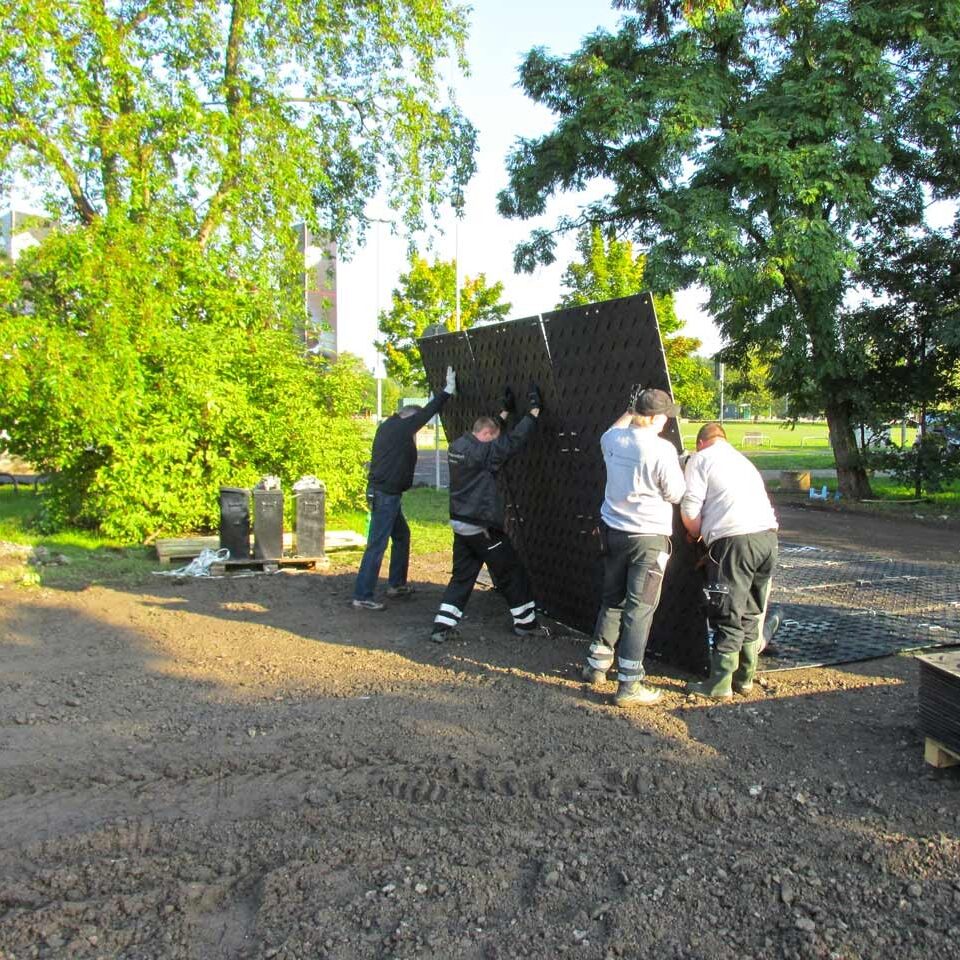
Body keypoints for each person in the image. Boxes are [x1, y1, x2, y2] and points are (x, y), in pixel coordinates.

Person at [581, 388, 686, 707]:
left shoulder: (612, 440)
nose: (668, 421)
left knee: (612, 599)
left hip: (613, 533)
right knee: (639, 609)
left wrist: (630, 407)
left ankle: (596, 665)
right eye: (665, 415)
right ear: (654, 417)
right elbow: (676, 494)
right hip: (648, 539)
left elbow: (614, 427)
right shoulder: (662, 449)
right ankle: (629, 684)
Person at [430, 383, 549, 643]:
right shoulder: (486, 453)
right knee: (511, 573)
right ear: (486, 434)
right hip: (482, 527)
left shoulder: (458, 445)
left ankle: (442, 625)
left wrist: (504, 413)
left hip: (460, 523)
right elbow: (513, 441)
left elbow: (491, 432)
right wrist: (534, 412)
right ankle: (526, 624)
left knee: (462, 575)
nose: (495, 440)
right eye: (493, 436)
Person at [680, 421, 779, 698]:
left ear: (701, 443)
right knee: (750, 610)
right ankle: (745, 678)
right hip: (768, 539)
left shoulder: (701, 459)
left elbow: (690, 508)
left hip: (735, 542)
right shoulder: (743, 461)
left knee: (727, 611)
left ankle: (719, 684)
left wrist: (695, 533)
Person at [351, 366, 457, 611]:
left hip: (386, 494)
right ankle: (362, 595)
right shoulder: (401, 427)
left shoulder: (388, 426)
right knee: (377, 545)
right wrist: (447, 390)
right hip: (385, 495)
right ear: (409, 418)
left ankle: (396, 585)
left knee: (401, 535)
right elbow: (427, 412)